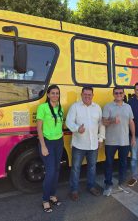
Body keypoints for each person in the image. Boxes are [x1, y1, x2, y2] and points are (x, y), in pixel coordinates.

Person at [66, 86, 105, 201]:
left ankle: (91, 186)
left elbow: (101, 124)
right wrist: (77, 128)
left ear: (93, 95)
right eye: (85, 94)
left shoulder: (97, 107)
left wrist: (101, 139)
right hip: (79, 144)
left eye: (89, 95)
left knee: (92, 167)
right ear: (81, 95)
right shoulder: (75, 107)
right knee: (76, 168)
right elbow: (69, 122)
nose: (87, 96)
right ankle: (74, 190)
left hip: (93, 144)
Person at [102, 87, 136, 196]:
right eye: (116, 93)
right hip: (111, 141)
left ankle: (122, 183)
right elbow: (104, 122)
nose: (118, 94)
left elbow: (131, 122)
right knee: (109, 164)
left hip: (124, 141)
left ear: (124, 94)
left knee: (123, 163)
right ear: (113, 94)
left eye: (120, 93)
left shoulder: (128, 107)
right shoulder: (108, 106)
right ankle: (108, 184)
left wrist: (133, 137)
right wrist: (112, 120)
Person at [36, 85, 64, 213]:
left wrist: (61, 133)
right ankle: (45, 199)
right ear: (47, 95)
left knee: (57, 169)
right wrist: (43, 146)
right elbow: (39, 129)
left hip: (59, 142)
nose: (55, 95)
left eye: (57, 93)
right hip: (47, 143)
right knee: (51, 171)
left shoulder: (60, 108)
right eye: (52, 93)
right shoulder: (42, 107)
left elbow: (60, 124)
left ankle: (53, 195)